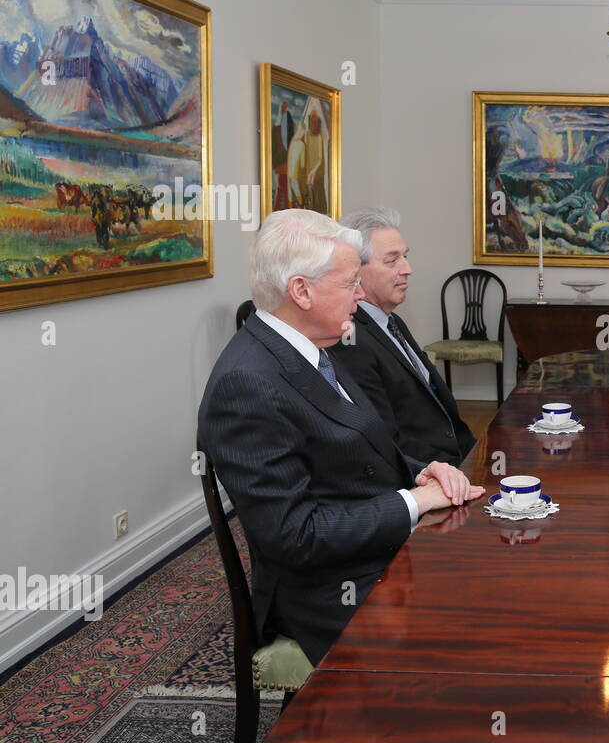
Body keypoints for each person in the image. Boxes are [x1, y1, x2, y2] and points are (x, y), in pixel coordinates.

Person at [197, 210, 484, 665]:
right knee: (481, 621)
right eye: (350, 283)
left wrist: (422, 470)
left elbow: (362, 449)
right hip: (326, 591)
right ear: (301, 291)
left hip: (368, 550)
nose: (359, 296)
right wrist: (415, 502)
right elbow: (295, 536)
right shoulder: (247, 384)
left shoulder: (318, 346)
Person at [332, 207, 476, 466]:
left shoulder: (390, 320)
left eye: (405, 256)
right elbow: (385, 440)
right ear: (355, 270)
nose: (408, 268)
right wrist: (454, 473)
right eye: (392, 260)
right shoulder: (349, 338)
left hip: (459, 457)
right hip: (429, 474)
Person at [288, 97, 329, 214]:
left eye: (316, 122)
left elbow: (321, 159)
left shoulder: (319, 137)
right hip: (307, 172)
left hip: (317, 171)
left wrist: (314, 171)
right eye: (312, 121)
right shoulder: (306, 136)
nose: (314, 124)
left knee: (315, 190)